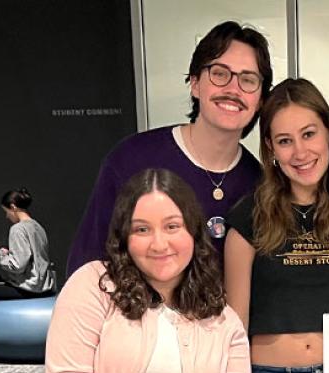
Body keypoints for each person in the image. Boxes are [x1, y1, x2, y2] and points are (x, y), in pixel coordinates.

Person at [35, 168, 251, 373]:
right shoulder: (92, 285)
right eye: (142, 229)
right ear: (124, 237)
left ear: (194, 232)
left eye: (172, 226)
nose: (159, 244)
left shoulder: (221, 316)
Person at [66, 21, 273, 274]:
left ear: (260, 99)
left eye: (248, 80)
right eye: (220, 73)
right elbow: (87, 267)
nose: (233, 89)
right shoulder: (132, 160)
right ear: (195, 83)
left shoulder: (259, 184)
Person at [224, 79, 329, 373]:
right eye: (285, 140)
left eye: (309, 134)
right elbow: (235, 326)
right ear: (270, 149)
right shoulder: (249, 217)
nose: (300, 152)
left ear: (328, 132)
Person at [0, 188, 56, 295]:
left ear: (13, 207)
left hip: (28, 288)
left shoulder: (17, 229)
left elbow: (18, 266)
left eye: (6, 212)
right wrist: (9, 254)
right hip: (45, 287)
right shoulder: (38, 227)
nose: (7, 216)